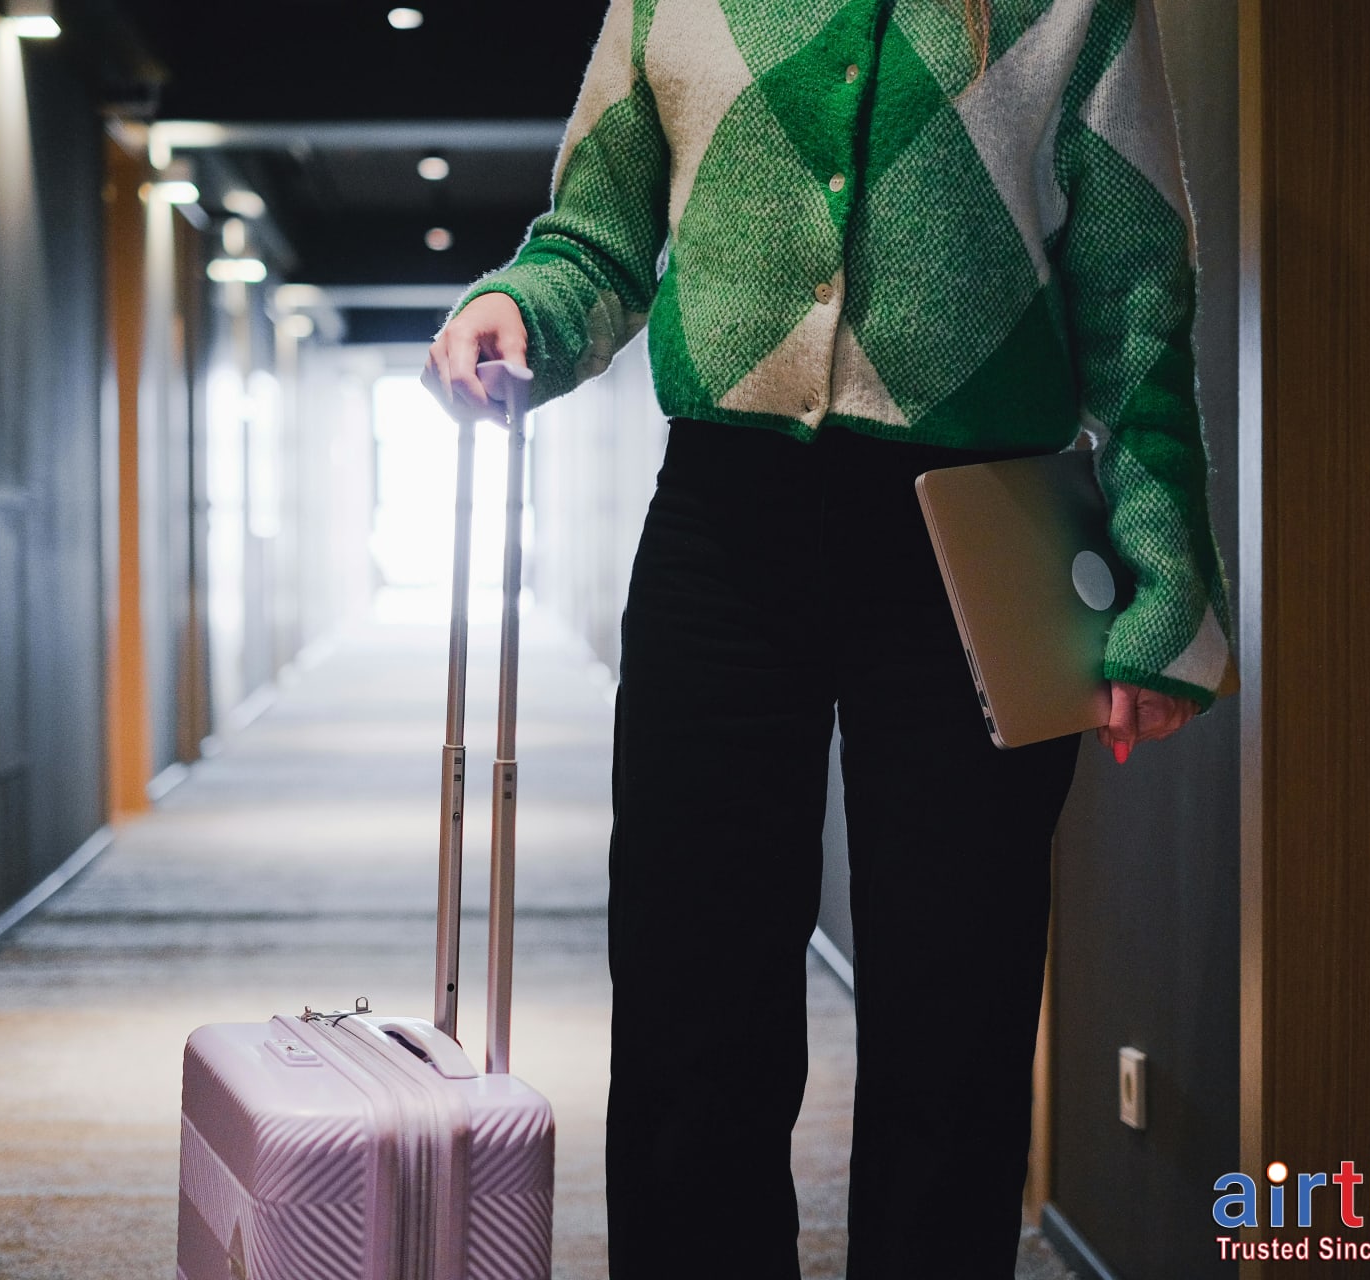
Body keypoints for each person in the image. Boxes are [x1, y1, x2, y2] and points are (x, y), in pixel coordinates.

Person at [425, 0, 1238, 1274]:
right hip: (722, 533)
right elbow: (598, 234)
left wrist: (1163, 595)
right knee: (691, 986)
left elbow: (1140, 300)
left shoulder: (1075, 11)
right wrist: (521, 303)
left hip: (978, 541)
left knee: (956, 1006)